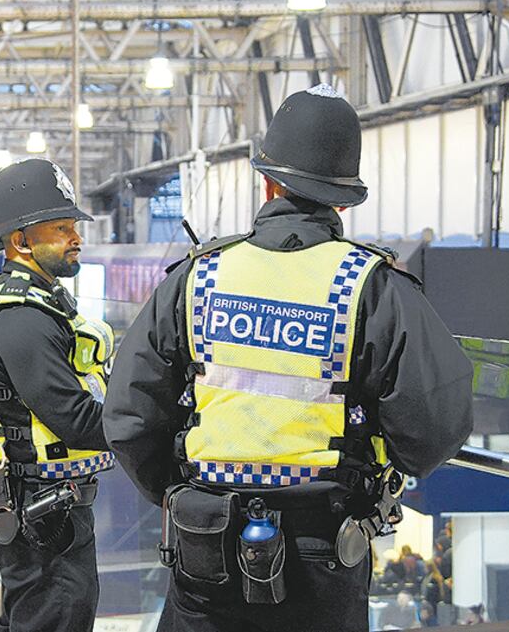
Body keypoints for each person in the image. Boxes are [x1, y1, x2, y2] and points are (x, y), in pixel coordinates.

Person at [102, 85, 474, 632]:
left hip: (205, 539)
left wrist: (182, 494)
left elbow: (128, 417)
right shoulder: (371, 289)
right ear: (343, 199)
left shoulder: (198, 278)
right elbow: (436, 425)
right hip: (324, 547)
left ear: (266, 179)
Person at [0, 158, 114, 632]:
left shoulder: (42, 304)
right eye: (61, 228)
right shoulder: (21, 320)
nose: (76, 238)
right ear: (21, 242)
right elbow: (76, 419)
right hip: (43, 516)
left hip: (45, 510)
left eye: (73, 226)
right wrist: (153, 422)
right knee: (54, 617)